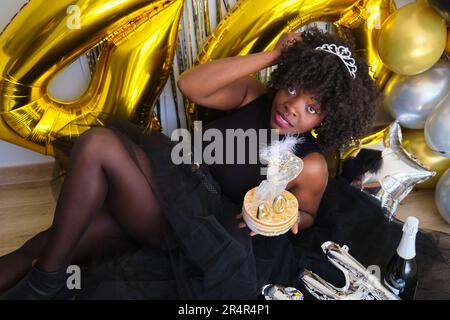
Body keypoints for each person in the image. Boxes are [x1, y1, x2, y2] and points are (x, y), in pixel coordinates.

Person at [0, 28, 447, 300]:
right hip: (161, 190)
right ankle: (48, 277)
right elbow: (191, 84)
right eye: (292, 86)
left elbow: (307, 214)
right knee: (41, 248)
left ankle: (47, 284)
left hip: (193, 231)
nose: (292, 106)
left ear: (327, 119)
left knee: (98, 145)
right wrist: (276, 56)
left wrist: (290, 218)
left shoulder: (309, 163)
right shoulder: (254, 96)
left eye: (311, 107)